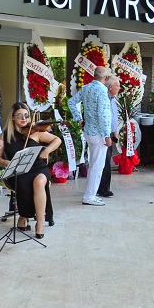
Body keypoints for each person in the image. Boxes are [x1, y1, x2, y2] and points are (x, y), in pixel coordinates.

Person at [0, 102, 62, 238]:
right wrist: (8, 162)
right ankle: (24, 215)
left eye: (26, 115)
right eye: (19, 115)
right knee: (24, 181)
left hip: (38, 167)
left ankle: (40, 223)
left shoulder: (35, 132)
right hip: (19, 171)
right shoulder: (6, 135)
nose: (24, 118)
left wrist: (47, 150)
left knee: (39, 181)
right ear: (13, 117)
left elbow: (57, 140)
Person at [68, 66, 112, 205]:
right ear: (105, 78)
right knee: (97, 166)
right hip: (99, 133)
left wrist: (78, 118)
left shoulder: (86, 88)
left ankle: (90, 194)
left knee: (94, 164)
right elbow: (103, 115)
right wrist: (107, 135)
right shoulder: (102, 91)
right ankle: (89, 196)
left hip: (88, 131)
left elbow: (71, 102)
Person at [98, 76, 120, 198]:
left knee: (107, 161)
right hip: (104, 134)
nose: (119, 88)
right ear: (110, 87)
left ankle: (104, 187)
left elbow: (113, 118)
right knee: (104, 162)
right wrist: (108, 135)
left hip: (110, 133)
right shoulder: (104, 99)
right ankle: (103, 189)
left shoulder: (113, 100)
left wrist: (115, 133)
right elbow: (104, 119)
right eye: (117, 86)